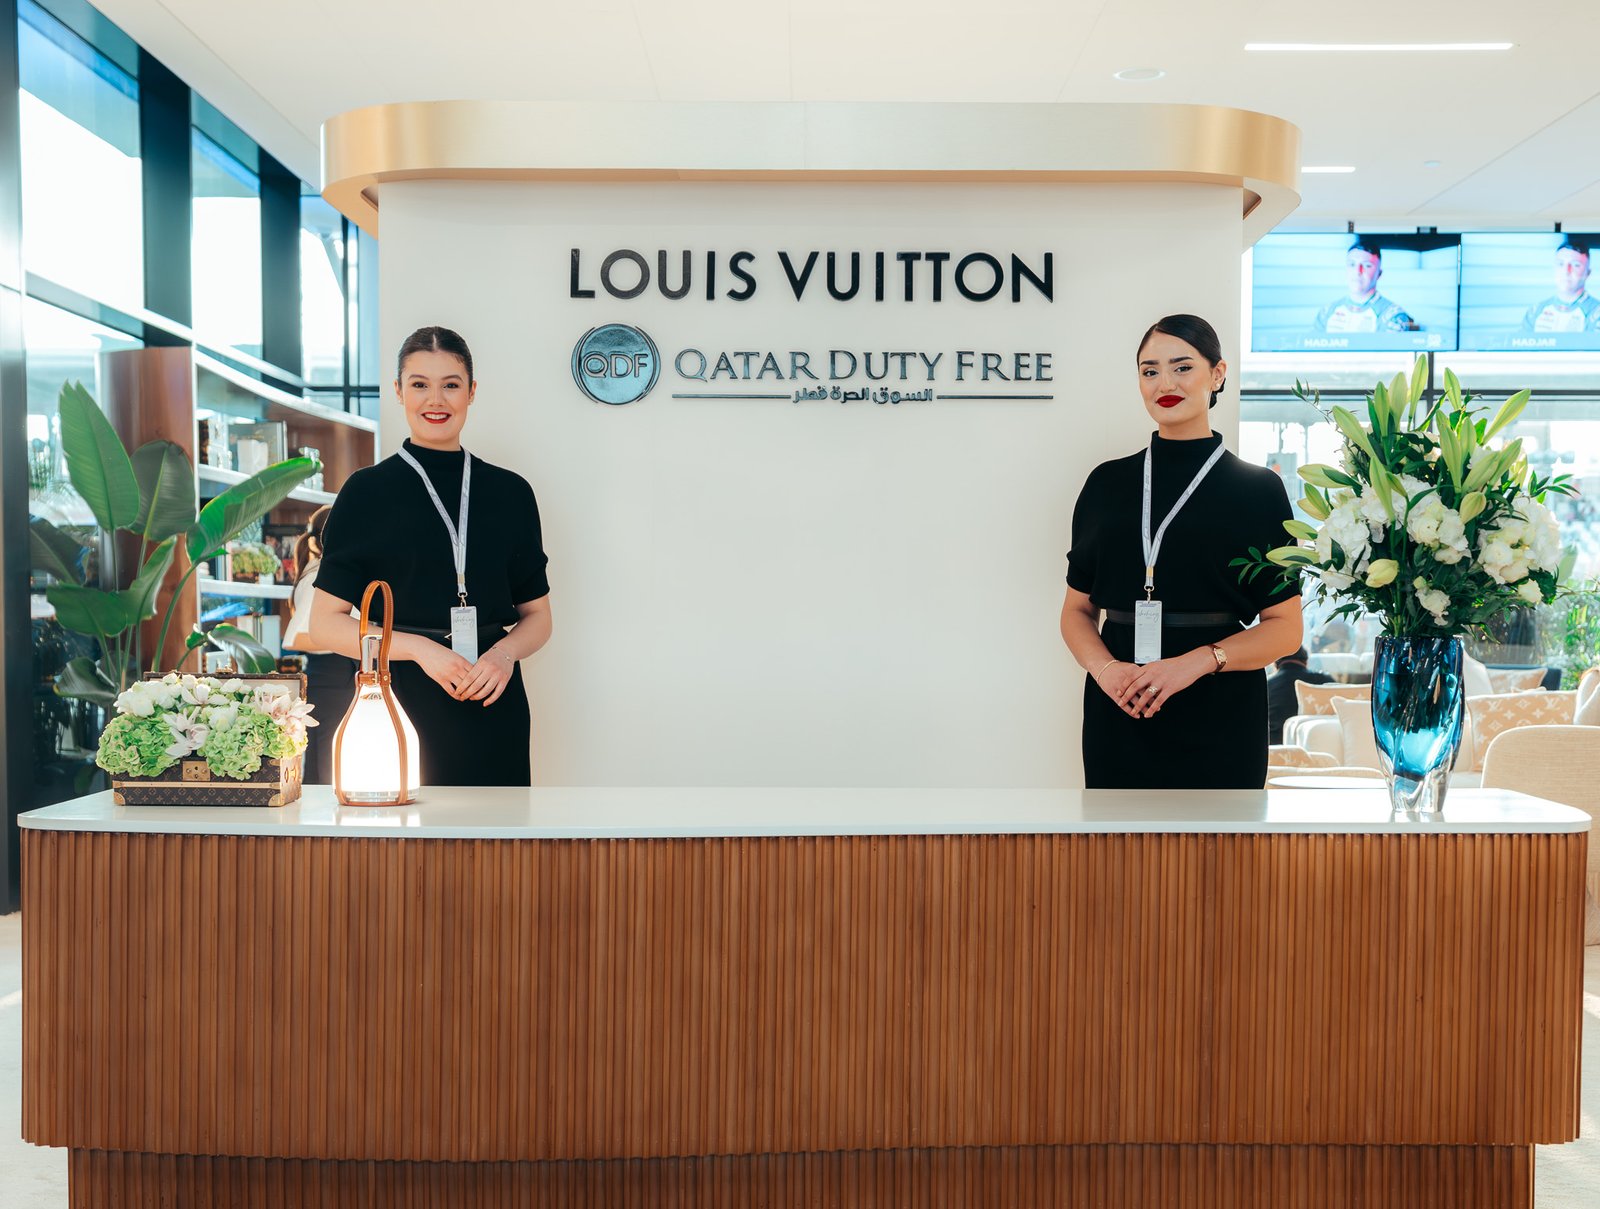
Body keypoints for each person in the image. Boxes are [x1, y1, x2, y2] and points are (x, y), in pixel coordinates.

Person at [1059, 314, 1303, 789]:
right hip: (1122, 704)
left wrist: (1196, 663)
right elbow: (1076, 611)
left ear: (1217, 374)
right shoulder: (1106, 483)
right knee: (1116, 838)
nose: (1165, 384)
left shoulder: (1259, 490)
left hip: (1222, 709)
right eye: (1149, 371)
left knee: (1219, 839)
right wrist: (1106, 671)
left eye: (1182, 367)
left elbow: (1285, 629)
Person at [307, 326, 553, 786]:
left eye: (451, 385)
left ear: (471, 391)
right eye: (419, 384)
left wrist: (503, 655)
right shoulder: (365, 493)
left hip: (491, 694)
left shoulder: (512, 493)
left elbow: (538, 616)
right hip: (395, 698)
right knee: (404, 830)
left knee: (500, 832)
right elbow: (325, 624)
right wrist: (421, 651)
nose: (435, 400)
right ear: (399, 391)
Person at [281, 505, 355, 783]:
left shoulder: (319, 572)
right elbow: (295, 637)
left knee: (325, 758)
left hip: (332, 673)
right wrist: (354, 639)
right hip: (333, 674)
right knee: (329, 760)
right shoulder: (320, 576)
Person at [1311, 241, 1419, 334]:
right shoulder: (1327, 312)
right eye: (1352, 264)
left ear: (1379, 273)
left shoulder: (1394, 316)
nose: (1357, 271)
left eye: (1367, 265)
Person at [1521, 239, 1600, 334]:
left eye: (1576, 265)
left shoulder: (1597, 313)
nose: (1566, 271)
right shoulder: (1535, 311)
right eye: (1561, 264)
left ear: (1588, 273)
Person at [1266, 647, 1332, 745]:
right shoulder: (1324, 681)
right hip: (1312, 743)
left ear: (1275, 663)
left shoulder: (1267, 684)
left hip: (1273, 745)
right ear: (1306, 661)